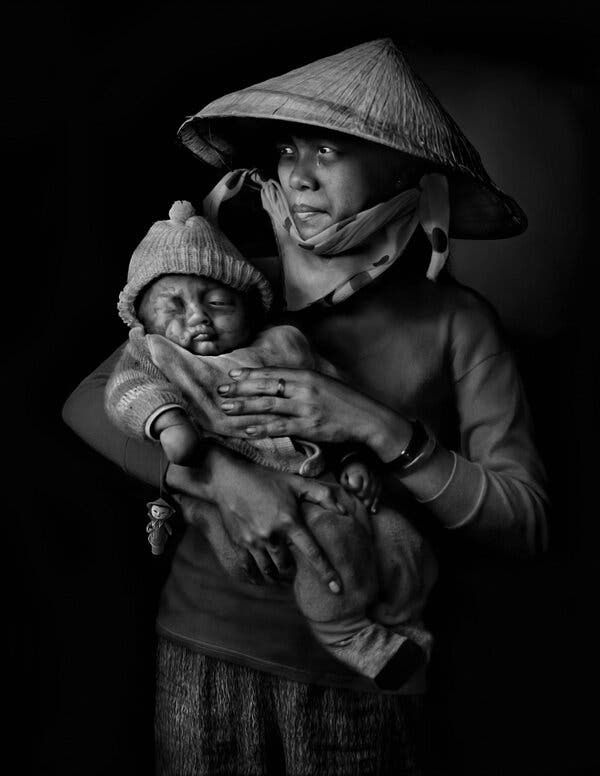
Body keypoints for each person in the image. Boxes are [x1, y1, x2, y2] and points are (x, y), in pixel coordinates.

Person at [62, 38, 549, 776]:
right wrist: (221, 479)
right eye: (289, 149)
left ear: (405, 170)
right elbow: (87, 405)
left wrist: (375, 427)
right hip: (203, 644)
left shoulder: (459, 323)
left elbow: (526, 522)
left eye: (328, 149)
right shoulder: (219, 289)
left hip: (369, 675)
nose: (297, 171)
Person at [104, 198, 437, 687]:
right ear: (145, 321)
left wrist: (351, 458)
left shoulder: (285, 344)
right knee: (336, 544)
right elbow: (127, 390)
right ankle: (348, 635)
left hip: (325, 477)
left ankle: (399, 622)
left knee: (404, 541)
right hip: (259, 500)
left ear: (249, 306)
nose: (198, 317)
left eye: (218, 302)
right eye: (173, 306)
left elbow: (336, 406)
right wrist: (169, 421)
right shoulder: (156, 352)